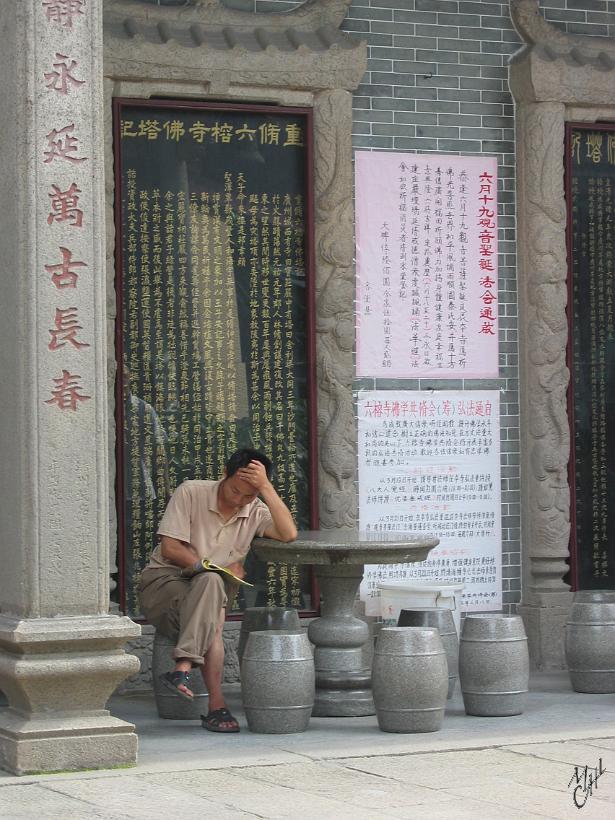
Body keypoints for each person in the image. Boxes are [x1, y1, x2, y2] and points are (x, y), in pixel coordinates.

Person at [138, 448, 297, 733]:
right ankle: (213, 703)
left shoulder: (255, 510)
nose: (238, 500)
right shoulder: (191, 492)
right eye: (235, 490)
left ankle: (184, 672)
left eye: (249, 495)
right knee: (213, 588)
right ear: (224, 474)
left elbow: (288, 534)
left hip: (210, 593)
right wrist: (212, 567)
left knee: (212, 588)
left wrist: (266, 488)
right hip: (165, 584)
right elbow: (170, 548)